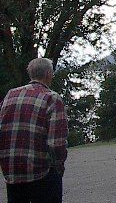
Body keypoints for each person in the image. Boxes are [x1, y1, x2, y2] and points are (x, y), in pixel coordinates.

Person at [0, 58, 68, 202]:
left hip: (12, 171)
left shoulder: (10, 95)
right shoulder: (51, 98)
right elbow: (56, 143)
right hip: (40, 171)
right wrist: (59, 166)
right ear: (49, 74)